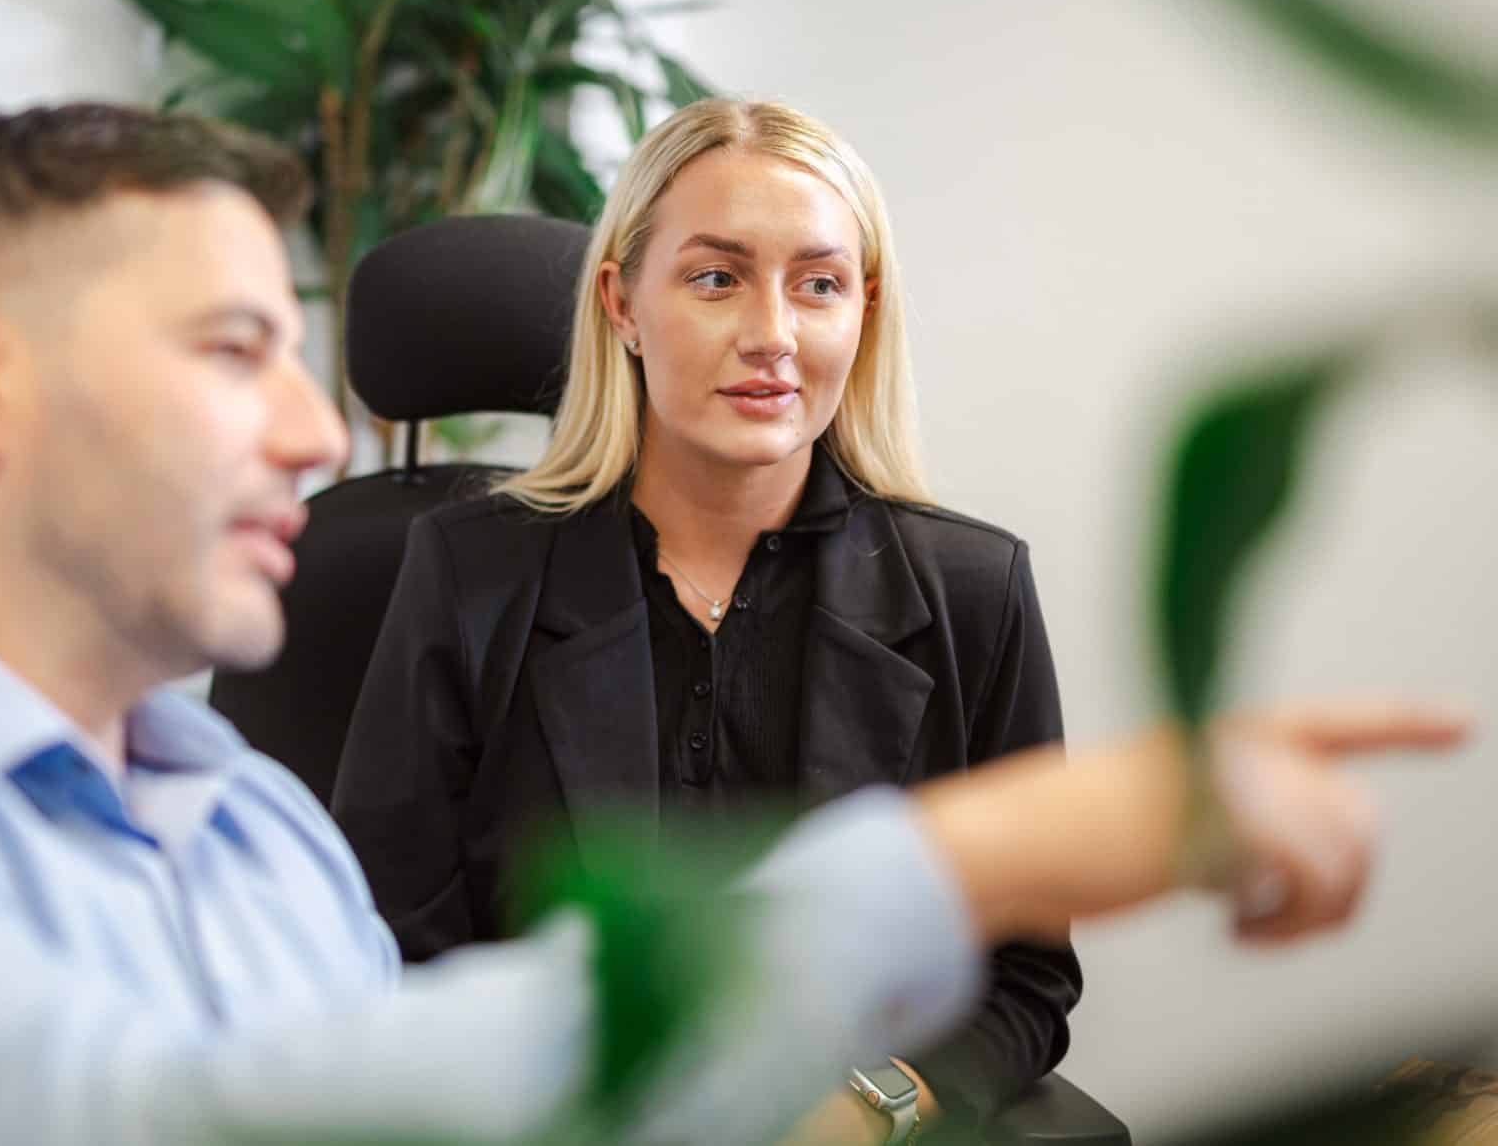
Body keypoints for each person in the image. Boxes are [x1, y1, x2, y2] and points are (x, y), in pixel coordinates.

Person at [0, 103, 1467, 1146]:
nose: (311, 425)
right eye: (234, 345)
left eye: (819, 284)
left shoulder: (239, 826)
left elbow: (456, 1078)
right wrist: (962, 851)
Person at [334, 98, 1069, 1133]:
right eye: (715, 278)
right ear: (621, 303)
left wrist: (868, 1111)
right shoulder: (468, 572)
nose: (771, 335)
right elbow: (385, 935)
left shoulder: (972, 591)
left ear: (860, 313)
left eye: (816, 286)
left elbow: (1022, 976)